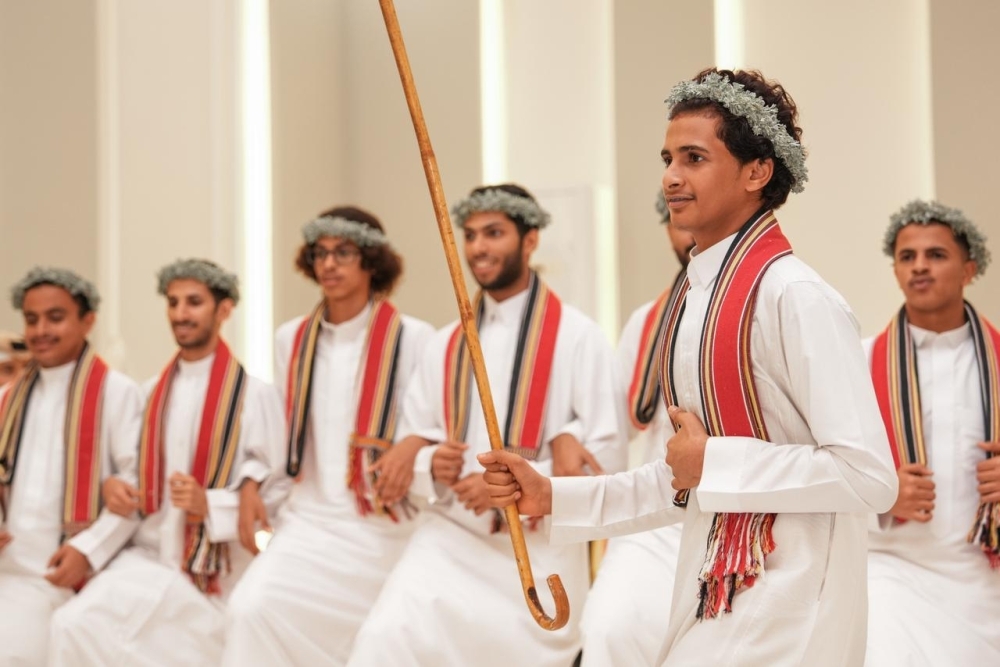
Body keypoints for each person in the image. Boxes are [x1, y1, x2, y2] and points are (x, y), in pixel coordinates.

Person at [480, 69, 898, 666]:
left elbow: (868, 476)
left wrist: (713, 462)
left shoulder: (797, 297)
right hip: (718, 579)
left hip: (794, 601)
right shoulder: (694, 299)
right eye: (668, 158)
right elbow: (682, 477)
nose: (670, 177)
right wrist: (553, 495)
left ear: (757, 172)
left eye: (694, 158)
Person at [347, 183, 627, 667]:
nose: (478, 247)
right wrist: (432, 463)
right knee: (383, 640)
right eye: (471, 234)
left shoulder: (580, 336)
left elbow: (608, 455)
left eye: (494, 233)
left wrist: (515, 482)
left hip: (539, 549)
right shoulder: (446, 342)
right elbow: (415, 436)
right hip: (451, 538)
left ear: (530, 240)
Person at [223, 207, 434, 666]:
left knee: (381, 638)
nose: (329, 264)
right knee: (249, 608)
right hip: (308, 521)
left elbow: (436, 421)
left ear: (372, 261)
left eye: (343, 252)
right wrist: (252, 481)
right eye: (320, 253)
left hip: (383, 524)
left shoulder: (415, 338)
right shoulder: (291, 339)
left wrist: (413, 443)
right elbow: (276, 429)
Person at [48, 259, 284, 667]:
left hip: (215, 572)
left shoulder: (256, 397)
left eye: (194, 302)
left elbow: (278, 495)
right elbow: (126, 475)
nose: (180, 314)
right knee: (73, 625)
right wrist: (111, 486)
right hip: (147, 558)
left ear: (224, 309)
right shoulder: (149, 393)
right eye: (173, 303)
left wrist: (210, 504)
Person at [864, 200, 1000, 665]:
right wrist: (881, 496)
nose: (919, 266)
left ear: (969, 270)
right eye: (907, 256)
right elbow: (824, 469)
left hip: (987, 578)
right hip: (891, 569)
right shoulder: (859, 361)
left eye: (936, 255)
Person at [0, 267, 142, 665]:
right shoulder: (7, 398)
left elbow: (135, 491)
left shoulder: (117, 393)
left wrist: (87, 550)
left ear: (87, 320)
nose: (41, 330)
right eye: (32, 319)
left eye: (55, 318)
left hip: (68, 572)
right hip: (8, 567)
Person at [579, 190, 694, 666]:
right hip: (655, 515)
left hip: (740, 517)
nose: (689, 232)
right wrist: (567, 437)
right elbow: (609, 423)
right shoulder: (645, 321)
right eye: (677, 221)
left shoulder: (769, 302)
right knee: (608, 629)